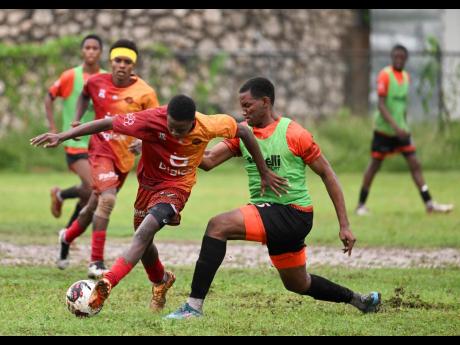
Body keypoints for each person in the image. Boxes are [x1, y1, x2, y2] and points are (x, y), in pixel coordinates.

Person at [31, 94, 285, 313]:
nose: (176, 133)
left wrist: (263, 171)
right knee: (144, 241)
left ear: (193, 123)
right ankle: (161, 280)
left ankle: (106, 283)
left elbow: (243, 131)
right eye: (172, 127)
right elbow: (107, 122)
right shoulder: (150, 118)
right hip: (148, 187)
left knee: (144, 232)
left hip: (177, 188)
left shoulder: (208, 124)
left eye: (182, 129)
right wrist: (63, 136)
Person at [165, 77, 381, 320]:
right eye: (241, 106)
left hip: (293, 213)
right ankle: (359, 300)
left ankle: (193, 308)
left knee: (218, 225)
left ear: (265, 102)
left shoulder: (294, 134)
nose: (243, 111)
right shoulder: (243, 135)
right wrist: (173, 142)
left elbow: (328, 174)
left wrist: (344, 225)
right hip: (272, 215)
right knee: (298, 283)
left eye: (248, 105)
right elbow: (207, 161)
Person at [54, 38, 160, 278]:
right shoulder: (96, 82)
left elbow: (155, 124)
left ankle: (67, 235)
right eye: (117, 60)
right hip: (100, 150)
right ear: (110, 62)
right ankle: (96, 261)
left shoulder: (145, 92)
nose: (121, 65)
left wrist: (142, 142)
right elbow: (83, 95)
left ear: (133, 65)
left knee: (94, 204)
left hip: (124, 158)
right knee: (108, 200)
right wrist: (78, 118)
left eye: (127, 61)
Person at [355, 44, 454, 216]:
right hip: (384, 131)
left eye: (402, 57)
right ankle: (361, 205)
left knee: (415, 164)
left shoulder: (406, 77)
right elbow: (381, 104)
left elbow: (402, 106)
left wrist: (405, 126)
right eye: (396, 57)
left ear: (406, 59)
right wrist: (396, 127)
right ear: (392, 57)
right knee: (374, 166)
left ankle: (429, 204)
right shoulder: (385, 75)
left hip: (402, 132)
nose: (398, 60)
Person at [45, 34, 104, 232]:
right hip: (75, 144)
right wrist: (54, 127)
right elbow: (49, 97)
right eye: (87, 48)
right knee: (94, 187)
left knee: (89, 193)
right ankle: (69, 233)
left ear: (101, 52)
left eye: (95, 48)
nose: (91, 51)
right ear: (82, 51)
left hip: (98, 144)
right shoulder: (71, 76)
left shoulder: (105, 77)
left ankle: (63, 206)